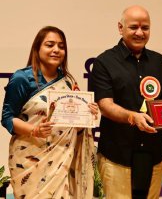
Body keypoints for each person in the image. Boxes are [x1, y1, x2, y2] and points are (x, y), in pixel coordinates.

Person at [1, 26, 98, 198]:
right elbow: (7, 118)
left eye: (61, 46)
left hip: (62, 160)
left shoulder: (68, 81)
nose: (56, 50)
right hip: (29, 161)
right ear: (37, 49)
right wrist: (34, 130)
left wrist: (87, 115)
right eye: (50, 45)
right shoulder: (22, 79)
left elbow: (74, 127)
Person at [91, 5, 162, 199]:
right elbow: (105, 105)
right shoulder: (104, 62)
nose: (140, 32)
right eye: (133, 27)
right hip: (117, 155)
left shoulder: (161, 62)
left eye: (145, 27)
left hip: (154, 154)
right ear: (120, 28)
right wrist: (132, 117)